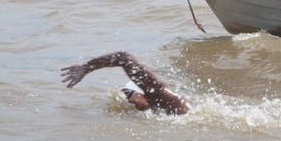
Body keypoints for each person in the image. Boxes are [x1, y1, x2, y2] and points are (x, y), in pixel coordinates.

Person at [61, 51, 190, 115]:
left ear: (142, 92)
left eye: (130, 95)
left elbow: (123, 57)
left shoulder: (157, 92)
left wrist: (86, 67)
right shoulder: (154, 104)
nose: (130, 101)